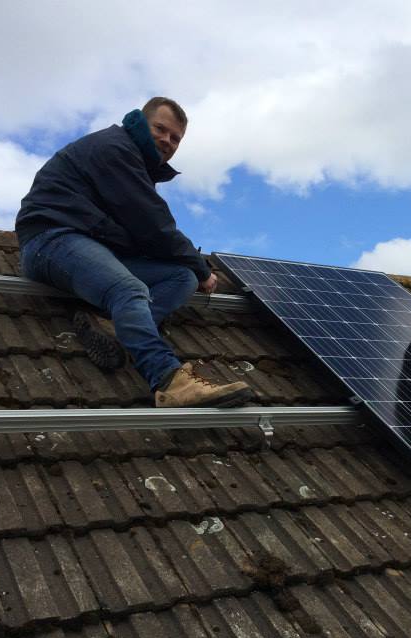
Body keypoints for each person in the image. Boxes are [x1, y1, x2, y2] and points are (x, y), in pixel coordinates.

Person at [15, 97, 251, 408]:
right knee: (130, 289)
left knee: (181, 277)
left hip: (94, 243)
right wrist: (203, 267)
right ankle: (169, 381)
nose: (167, 140)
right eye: (160, 129)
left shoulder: (135, 161)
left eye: (175, 138)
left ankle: (116, 326)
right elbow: (152, 222)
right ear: (141, 121)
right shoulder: (116, 149)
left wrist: (191, 269)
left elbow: (142, 232)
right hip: (52, 239)